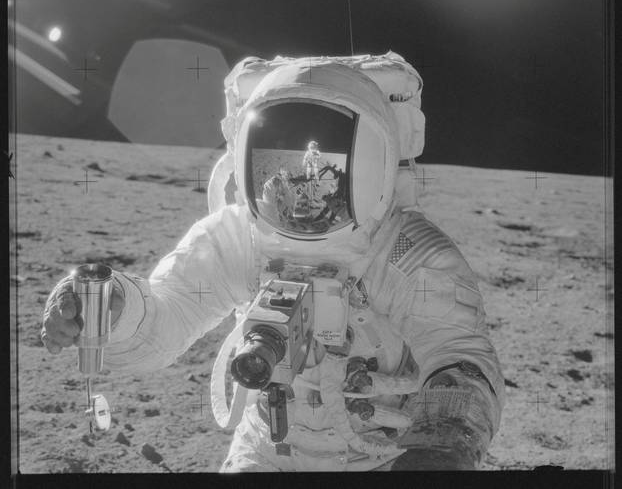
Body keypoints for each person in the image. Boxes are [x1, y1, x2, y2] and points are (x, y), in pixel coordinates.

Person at [41, 52, 505, 472]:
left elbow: (459, 358)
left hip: (388, 459)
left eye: (323, 174)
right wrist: (117, 308)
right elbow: (170, 316)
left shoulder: (402, 250)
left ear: (371, 163)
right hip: (266, 452)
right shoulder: (238, 239)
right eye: (283, 172)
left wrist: (439, 449)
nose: (305, 194)